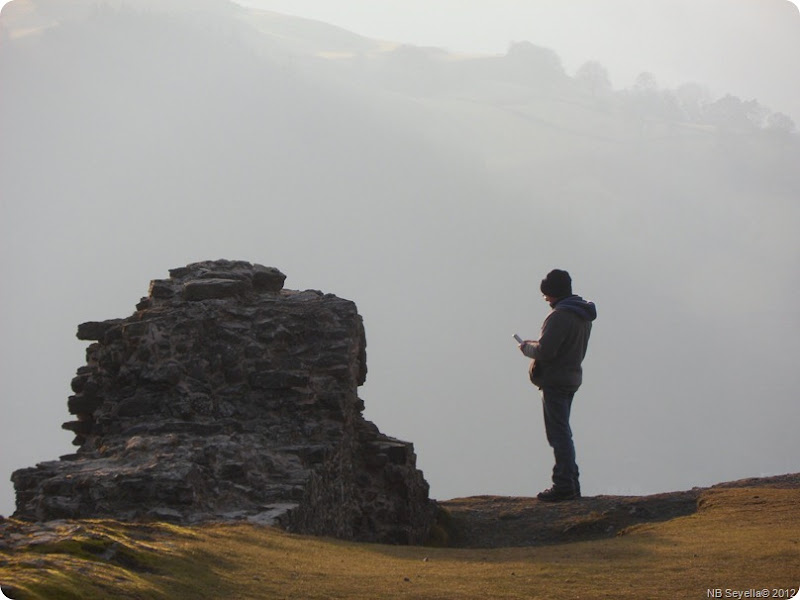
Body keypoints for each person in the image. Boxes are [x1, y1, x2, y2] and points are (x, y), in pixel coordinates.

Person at [519, 269, 597, 502]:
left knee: (558, 434)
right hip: (572, 378)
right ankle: (571, 483)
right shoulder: (582, 315)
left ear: (554, 293)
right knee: (563, 431)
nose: (547, 301)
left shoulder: (560, 316)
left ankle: (564, 485)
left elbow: (547, 351)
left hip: (555, 381)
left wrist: (526, 347)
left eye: (547, 296)